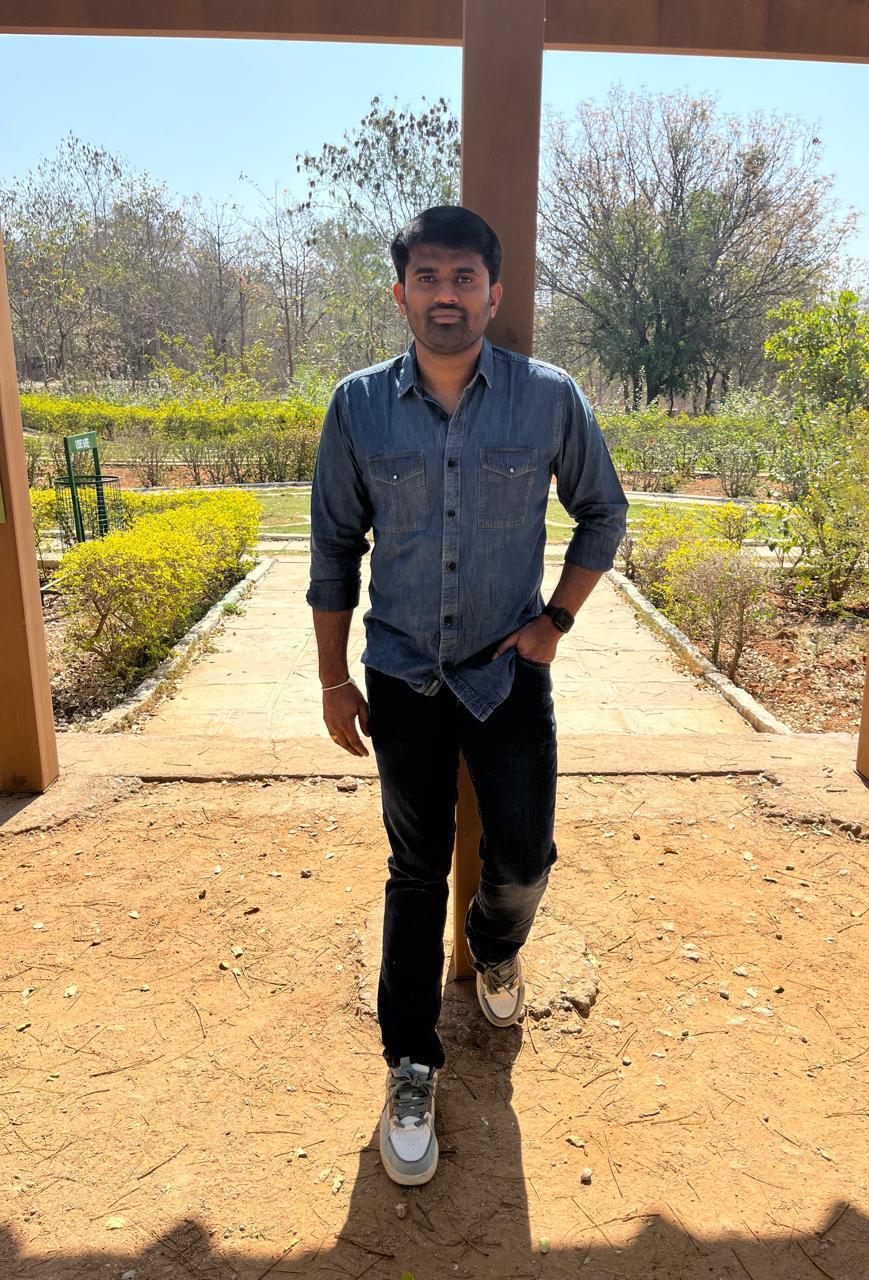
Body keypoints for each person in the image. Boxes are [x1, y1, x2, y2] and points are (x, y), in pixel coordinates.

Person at [307, 206, 627, 1186]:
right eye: (428, 277)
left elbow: (603, 511)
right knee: (415, 871)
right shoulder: (358, 407)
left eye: (464, 278)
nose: (446, 295)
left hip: (506, 671)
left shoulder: (547, 398)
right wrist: (332, 678)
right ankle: (411, 1063)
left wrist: (557, 620)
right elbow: (333, 550)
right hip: (402, 675)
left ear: (495, 292)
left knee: (523, 859)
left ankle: (494, 946)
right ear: (401, 292)